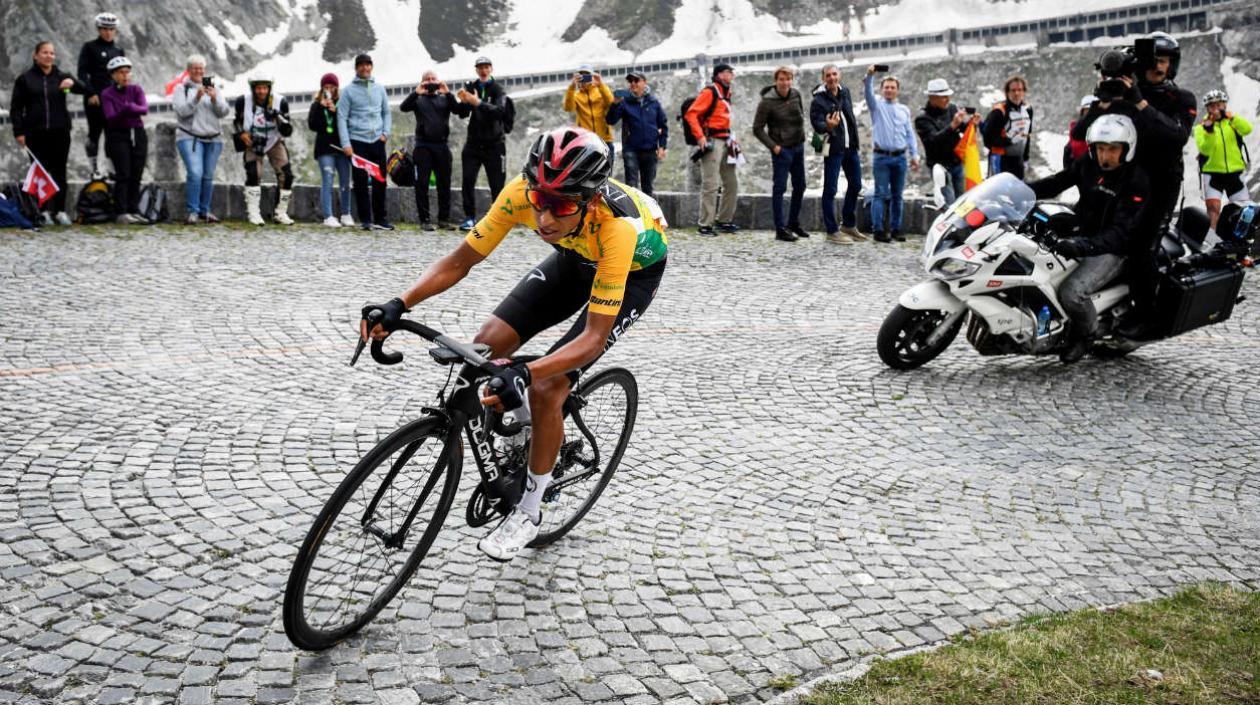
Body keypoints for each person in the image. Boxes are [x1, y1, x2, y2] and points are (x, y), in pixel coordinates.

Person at [359, 127, 667, 561]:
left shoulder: (617, 227)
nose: (543, 218)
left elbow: (593, 338)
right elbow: (461, 260)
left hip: (631, 272)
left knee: (547, 387)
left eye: (559, 206)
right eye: (540, 200)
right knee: (485, 345)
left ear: (590, 199)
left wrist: (526, 373)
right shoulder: (524, 192)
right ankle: (524, 431)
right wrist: (399, 303)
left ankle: (529, 509)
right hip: (574, 258)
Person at [1072, 31, 1195, 337]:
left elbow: (1176, 135)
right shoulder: (1123, 95)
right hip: (1123, 179)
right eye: (1152, 61)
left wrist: (1139, 102)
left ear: (1172, 64)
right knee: (1084, 227)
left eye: (1163, 61)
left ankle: (1147, 316)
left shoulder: (1181, 99)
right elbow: (1082, 134)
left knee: (1141, 246)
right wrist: (1103, 102)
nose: (1157, 66)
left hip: (1162, 183)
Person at [1029, 114, 1149, 363]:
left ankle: (1086, 336)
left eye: (1113, 149)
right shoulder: (1089, 163)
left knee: (1071, 293)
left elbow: (1119, 234)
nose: (1106, 156)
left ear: (1127, 149)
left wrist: (1080, 246)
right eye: (1100, 149)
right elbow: (1058, 182)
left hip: (1114, 249)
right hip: (1084, 233)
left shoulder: (1136, 181)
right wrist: (1020, 188)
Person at [10, 40, 85, 225]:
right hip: (35, 133)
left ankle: (59, 211)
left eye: (52, 53)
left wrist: (73, 83)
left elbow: (84, 89)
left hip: (60, 132)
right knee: (40, 173)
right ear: (36, 55)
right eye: (45, 52)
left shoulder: (61, 76)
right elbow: (16, 108)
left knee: (60, 171)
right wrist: (19, 132)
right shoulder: (25, 79)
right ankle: (41, 211)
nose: (49, 56)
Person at [171, 55, 230, 225]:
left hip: (213, 138)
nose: (199, 71)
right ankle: (192, 212)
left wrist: (213, 98)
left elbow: (224, 112)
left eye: (201, 69)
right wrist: (196, 98)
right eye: (195, 68)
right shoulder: (181, 89)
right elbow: (182, 112)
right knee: (195, 173)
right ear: (188, 71)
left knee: (207, 176)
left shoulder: (214, 88)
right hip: (190, 136)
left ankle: (205, 211)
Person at [863, 66, 920, 242]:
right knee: (880, 193)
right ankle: (878, 230)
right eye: (886, 87)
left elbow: (909, 133)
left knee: (898, 195)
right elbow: (867, 94)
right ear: (881, 90)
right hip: (881, 157)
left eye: (892, 87)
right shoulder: (876, 107)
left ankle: (896, 229)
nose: (889, 90)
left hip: (900, 157)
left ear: (897, 90)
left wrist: (915, 155)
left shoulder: (904, 110)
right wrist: (870, 76)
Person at [810, 64, 865, 244]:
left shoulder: (845, 92)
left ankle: (848, 224)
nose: (832, 78)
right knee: (830, 189)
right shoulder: (818, 100)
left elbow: (849, 118)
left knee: (856, 185)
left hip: (850, 147)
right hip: (833, 149)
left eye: (834, 74)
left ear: (839, 75)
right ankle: (831, 231)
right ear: (823, 78)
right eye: (828, 75)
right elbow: (816, 123)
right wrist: (828, 126)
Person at [753, 66, 809, 242]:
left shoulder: (795, 94)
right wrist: (774, 147)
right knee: (780, 188)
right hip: (782, 150)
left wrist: (803, 137)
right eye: (781, 79)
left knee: (800, 186)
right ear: (776, 81)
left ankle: (793, 223)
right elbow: (757, 128)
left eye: (788, 79)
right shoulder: (767, 102)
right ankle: (780, 228)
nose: (785, 82)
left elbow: (800, 114)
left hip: (798, 147)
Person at [338, 53, 393, 231]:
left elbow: (386, 112)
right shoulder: (347, 91)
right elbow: (341, 118)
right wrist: (346, 144)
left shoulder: (380, 89)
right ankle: (366, 220)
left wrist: (385, 133)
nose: (365, 68)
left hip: (377, 140)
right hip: (357, 142)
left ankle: (380, 219)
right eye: (361, 65)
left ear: (371, 67)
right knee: (360, 181)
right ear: (356, 68)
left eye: (367, 64)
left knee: (380, 180)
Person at [455, 56, 510, 231]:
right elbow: (462, 114)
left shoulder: (498, 89)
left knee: (497, 184)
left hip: (495, 144)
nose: (483, 70)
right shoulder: (471, 87)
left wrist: (478, 103)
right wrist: (464, 102)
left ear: (491, 69)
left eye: (486, 67)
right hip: (473, 143)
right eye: (480, 67)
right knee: (467, 180)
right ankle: (469, 217)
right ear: (476, 70)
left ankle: (498, 219)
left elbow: (500, 112)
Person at [684, 62, 739, 236]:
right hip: (712, 141)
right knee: (711, 183)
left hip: (726, 140)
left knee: (731, 183)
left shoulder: (726, 93)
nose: (732, 75)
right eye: (729, 72)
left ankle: (724, 220)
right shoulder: (710, 92)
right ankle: (705, 224)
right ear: (720, 75)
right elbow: (691, 114)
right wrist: (700, 137)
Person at [401, 69, 458, 230]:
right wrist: (416, 92)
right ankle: (424, 220)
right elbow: (403, 107)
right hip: (423, 146)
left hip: (442, 146)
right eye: (427, 79)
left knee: (444, 184)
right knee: (422, 184)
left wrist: (447, 93)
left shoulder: (444, 99)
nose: (431, 82)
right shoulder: (418, 100)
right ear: (422, 82)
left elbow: (458, 110)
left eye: (434, 79)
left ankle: (443, 220)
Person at [234, 76, 294, 226]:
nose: (262, 91)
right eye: (258, 88)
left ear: (269, 88)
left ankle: (280, 213)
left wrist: (278, 120)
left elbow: (288, 130)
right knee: (254, 172)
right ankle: (253, 213)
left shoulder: (281, 102)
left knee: (286, 174)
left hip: (274, 140)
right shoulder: (243, 101)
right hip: (253, 140)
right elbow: (237, 122)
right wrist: (242, 134)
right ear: (253, 88)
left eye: (265, 88)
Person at [1194, 89, 1253, 235]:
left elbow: (1247, 129)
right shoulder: (1201, 127)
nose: (1215, 109)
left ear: (1225, 105)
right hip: (1212, 173)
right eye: (1212, 106)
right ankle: (1212, 239)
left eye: (1219, 105)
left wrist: (1232, 118)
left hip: (1235, 171)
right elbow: (1205, 150)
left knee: (1243, 210)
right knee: (1213, 208)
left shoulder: (1232, 123)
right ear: (1207, 108)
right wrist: (1209, 132)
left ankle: (1243, 240)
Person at [99, 56, 147, 225]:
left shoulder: (136, 90)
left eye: (127, 72)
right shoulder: (107, 93)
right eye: (121, 73)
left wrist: (128, 108)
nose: (125, 76)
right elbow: (110, 116)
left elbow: (144, 109)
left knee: (137, 172)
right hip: (117, 135)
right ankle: (121, 211)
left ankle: (134, 209)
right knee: (123, 173)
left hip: (137, 133)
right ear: (113, 75)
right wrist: (129, 109)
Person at [77, 12, 125, 177]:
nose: (108, 32)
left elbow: (123, 75)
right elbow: (82, 73)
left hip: (113, 99)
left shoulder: (118, 50)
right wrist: (90, 93)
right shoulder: (89, 47)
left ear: (115, 30)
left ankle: (111, 170)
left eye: (111, 29)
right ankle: (94, 169)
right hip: (94, 98)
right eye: (104, 29)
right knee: (94, 133)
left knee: (112, 134)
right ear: (98, 29)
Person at [605, 71, 668, 196]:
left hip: (650, 150)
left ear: (644, 82)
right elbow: (610, 120)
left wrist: (662, 146)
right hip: (631, 150)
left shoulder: (653, 102)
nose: (633, 83)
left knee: (648, 186)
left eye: (636, 80)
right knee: (631, 186)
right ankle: (633, 215)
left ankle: (649, 215)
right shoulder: (624, 102)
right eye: (630, 81)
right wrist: (615, 104)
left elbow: (663, 125)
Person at [914, 78, 972, 207]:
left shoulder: (951, 108)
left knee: (963, 201)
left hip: (956, 162)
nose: (947, 99)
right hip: (939, 166)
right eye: (943, 97)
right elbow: (933, 141)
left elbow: (961, 127)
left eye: (947, 96)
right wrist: (952, 126)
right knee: (949, 203)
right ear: (932, 98)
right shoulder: (922, 119)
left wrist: (971, 124)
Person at [308, 73, 353, 228]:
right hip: (324, 149)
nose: (329, 90)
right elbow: (312, 125)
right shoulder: (316, 104)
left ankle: (346, 213)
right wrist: (321, 108)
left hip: (341, 148)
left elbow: (347, 124)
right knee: (327, 180)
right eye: (326, 87)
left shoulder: (341, 103)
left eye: (331, 87)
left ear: (336, 88)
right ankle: (328, 216)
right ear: (322, 89)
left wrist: (336, 111)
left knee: (345, 181)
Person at [982, 76, 1033, 179]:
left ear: (1024, 91)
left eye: (1019, 90)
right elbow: (987, 139)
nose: (1016, 93)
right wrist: (1009, 141)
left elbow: (1027, 135)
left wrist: (1026, 157)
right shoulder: (999, 111)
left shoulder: (1028, 109)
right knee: (999, 192)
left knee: (1018, 191)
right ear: (1007, 92)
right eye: (1013, 90)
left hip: (1018, 158)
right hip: (1000, 158)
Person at [564, 65, 616, 160]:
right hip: (586, 142)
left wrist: (601, 84)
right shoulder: (576, 96)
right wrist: (572, 87)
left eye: (587, 75)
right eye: (581, 76)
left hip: (605, 139)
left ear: (592, 77)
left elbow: (611, 103)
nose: (584, 79)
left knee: (608, 172)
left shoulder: (601, 91)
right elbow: (568, 108)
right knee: (589, 173)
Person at [1063, 95, 1097, 169]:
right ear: (1082, 112)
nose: (1089, 113)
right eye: (1087, 110)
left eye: (1092, 110)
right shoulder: (1075, 129)